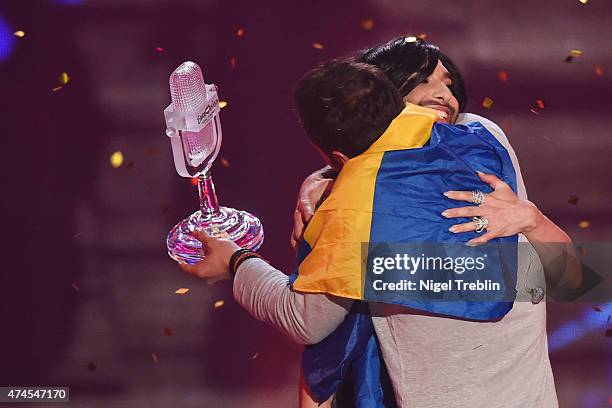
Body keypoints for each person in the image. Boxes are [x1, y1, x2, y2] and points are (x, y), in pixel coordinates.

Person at [180, 39, 580, 408]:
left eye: (448, 82)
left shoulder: (360, 214)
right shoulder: (484, 149)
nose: (445, 95)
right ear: (390, 101)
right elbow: (568, 277)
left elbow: (305, 321)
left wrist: (236, 263)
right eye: (421, 82)